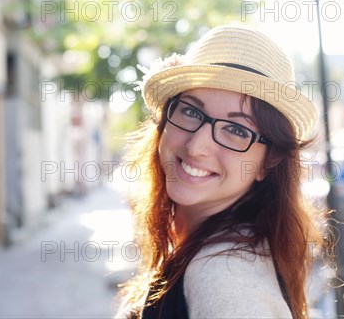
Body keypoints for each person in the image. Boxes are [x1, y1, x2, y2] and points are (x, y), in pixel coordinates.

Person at [115, 25, 327, 318]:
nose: (197, 145)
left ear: (268, 162)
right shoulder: (214, 247)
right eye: (190, 111)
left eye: (236, 130)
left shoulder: (225, 275)